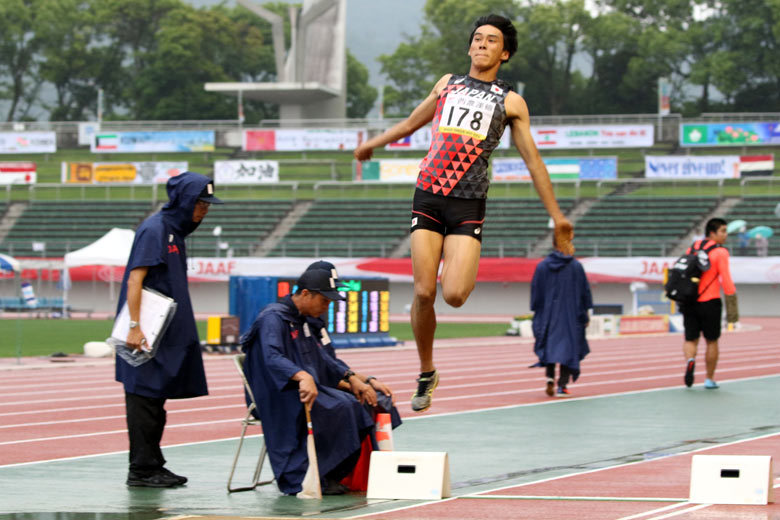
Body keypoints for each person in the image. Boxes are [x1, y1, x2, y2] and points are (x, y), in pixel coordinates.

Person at [354, 14, 573, 412]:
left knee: (453, 295)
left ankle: (458, 266)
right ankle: (426, 370)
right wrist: (375, 143)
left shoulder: (511, 102)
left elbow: (534, 162)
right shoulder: (447, 83)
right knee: (423, 290)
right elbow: (409, 123)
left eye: (491, 40)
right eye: (477, 38)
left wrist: (558, 217)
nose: (481, 44)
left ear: (504, 53)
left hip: (468, 204)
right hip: (428, 195)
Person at [241, 268, 399, 496]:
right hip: (278, 393)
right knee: (343, 406)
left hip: (302, 388)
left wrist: (352, 378)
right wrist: (302, 376)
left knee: (360, 403)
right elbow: (272, 356)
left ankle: (332, 473)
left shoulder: (302, 321)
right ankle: (303, 476)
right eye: (324, 301)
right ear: (305, 293)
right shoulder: (273, 318)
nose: (327, 307)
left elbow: (324, 360)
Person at [116, 171, 223, 487]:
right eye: (201, 203)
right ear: (185, 201)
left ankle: (153, 464)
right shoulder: (155, 229)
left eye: (208, 204)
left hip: (163, 335)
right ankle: (141, 470)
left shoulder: (174, 233)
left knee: (156, 403)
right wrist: (134, 327)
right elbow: (135, 279)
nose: (205, 210)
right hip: (145, 333)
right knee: (144, 402)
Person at [530, 230, 592, 397]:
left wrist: (537, 310)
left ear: (553, 244)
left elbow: (536, 291)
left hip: (547, 314)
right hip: (570, 315)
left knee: (549, 345)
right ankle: (562, 385)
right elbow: (584, 292)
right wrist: (585, 314)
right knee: (569, 349)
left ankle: (550, 377)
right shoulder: (576, 266)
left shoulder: (542, 266)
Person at [682, 218, 738, 390]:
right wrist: (733, 311)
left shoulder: (692, 248)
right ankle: (709, 378)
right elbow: (726, 280)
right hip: (710, 301)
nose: (725, 235)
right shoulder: (720, 252)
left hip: (689, 300)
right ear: (712, 233)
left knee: (691, 339)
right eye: (723, 231)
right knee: (712, 341)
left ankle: (690, 360)